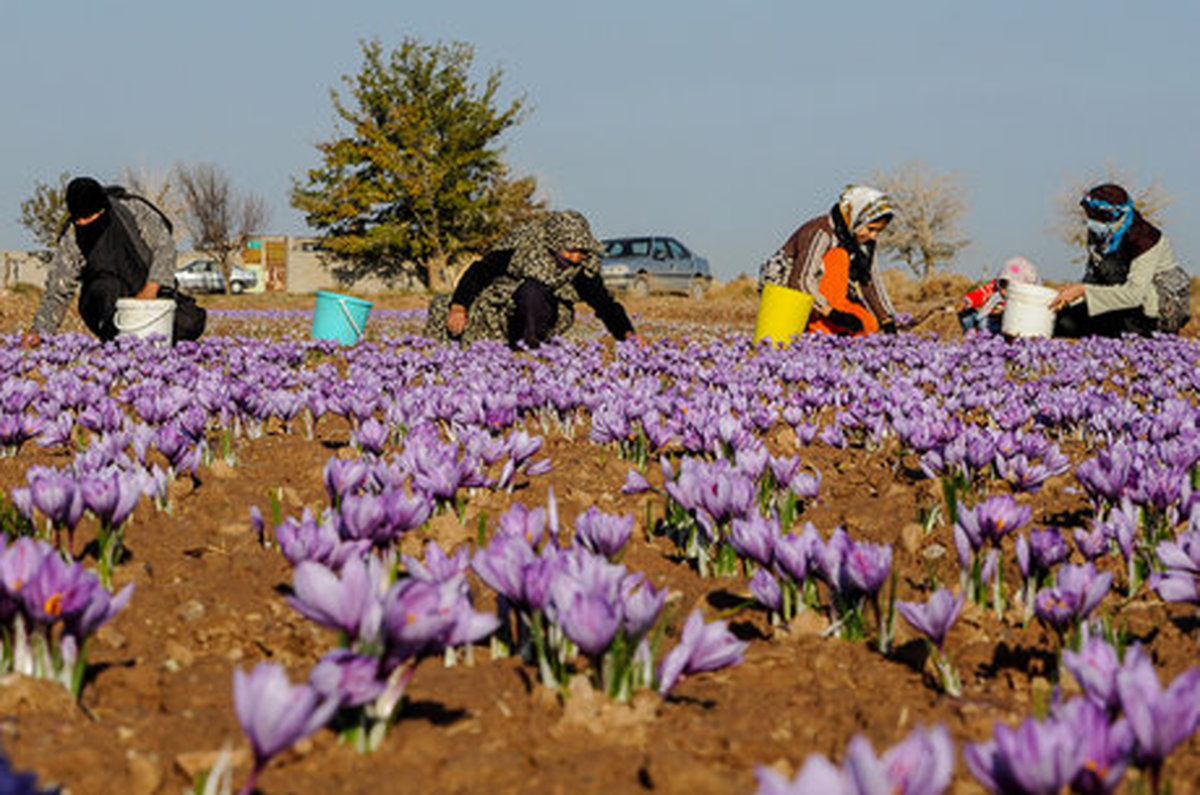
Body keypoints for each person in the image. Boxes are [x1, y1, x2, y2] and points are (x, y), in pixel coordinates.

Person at [424, 210, 644, 348]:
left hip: (547, 314)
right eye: (570, 251)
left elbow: (604, 304)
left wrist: (627, 334)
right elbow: (479, 272)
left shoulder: (582, 268)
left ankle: (532, 347)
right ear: (554, 244)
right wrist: (459, 307)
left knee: (532, 291)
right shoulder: (522, 247)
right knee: (443, 305)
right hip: (502, 306)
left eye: (581, 251)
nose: (576, 257)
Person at [28, 176, 205, 344]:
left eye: (88, 218)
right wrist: (40, 331)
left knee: (190, 322)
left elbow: (164, 247)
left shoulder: (133, 211)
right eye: (78, 220)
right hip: (103, 301)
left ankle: (153, 347)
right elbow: (58, 290)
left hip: (146, 290)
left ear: (102, 209)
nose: (82, 224)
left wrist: (152, 287)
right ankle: (118, 348)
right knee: (107, 290)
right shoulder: (73, 236)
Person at [1050, 183, 1191, 337]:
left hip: (1154, 307)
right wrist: (1071, 295)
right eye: (1089, 215)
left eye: (1095, 216)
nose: (1091, 222)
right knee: (1063, 322)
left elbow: (1133, 295)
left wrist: (1083, 290)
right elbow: (1093, 276)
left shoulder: (1145, 239)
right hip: (1117, 297)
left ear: (1113, 216)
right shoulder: (1099, 234)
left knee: (1126, 331)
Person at [758, 185, 899, 336]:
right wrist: (832, 314)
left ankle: (834, 334)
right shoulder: (821, 232)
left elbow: (869, 281)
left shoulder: (861, 240)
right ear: (855, 217)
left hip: (828, 299)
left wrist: (886, 319)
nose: (874, 236)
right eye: (871, 229)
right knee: (838, 256)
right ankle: (819, 330)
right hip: (788, 296)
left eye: (878, 231)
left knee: (868, 324)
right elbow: (801, 280)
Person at [957, 256, 1041, 334]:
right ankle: (974, 338)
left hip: (1013, 328)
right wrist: (966, 301)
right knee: (967, 315)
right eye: (1003, 285)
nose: (1004, 291)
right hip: (992, 323)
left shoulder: (1029, 298)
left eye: (1011, 286)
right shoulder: (995, 288)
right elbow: (981, 293)